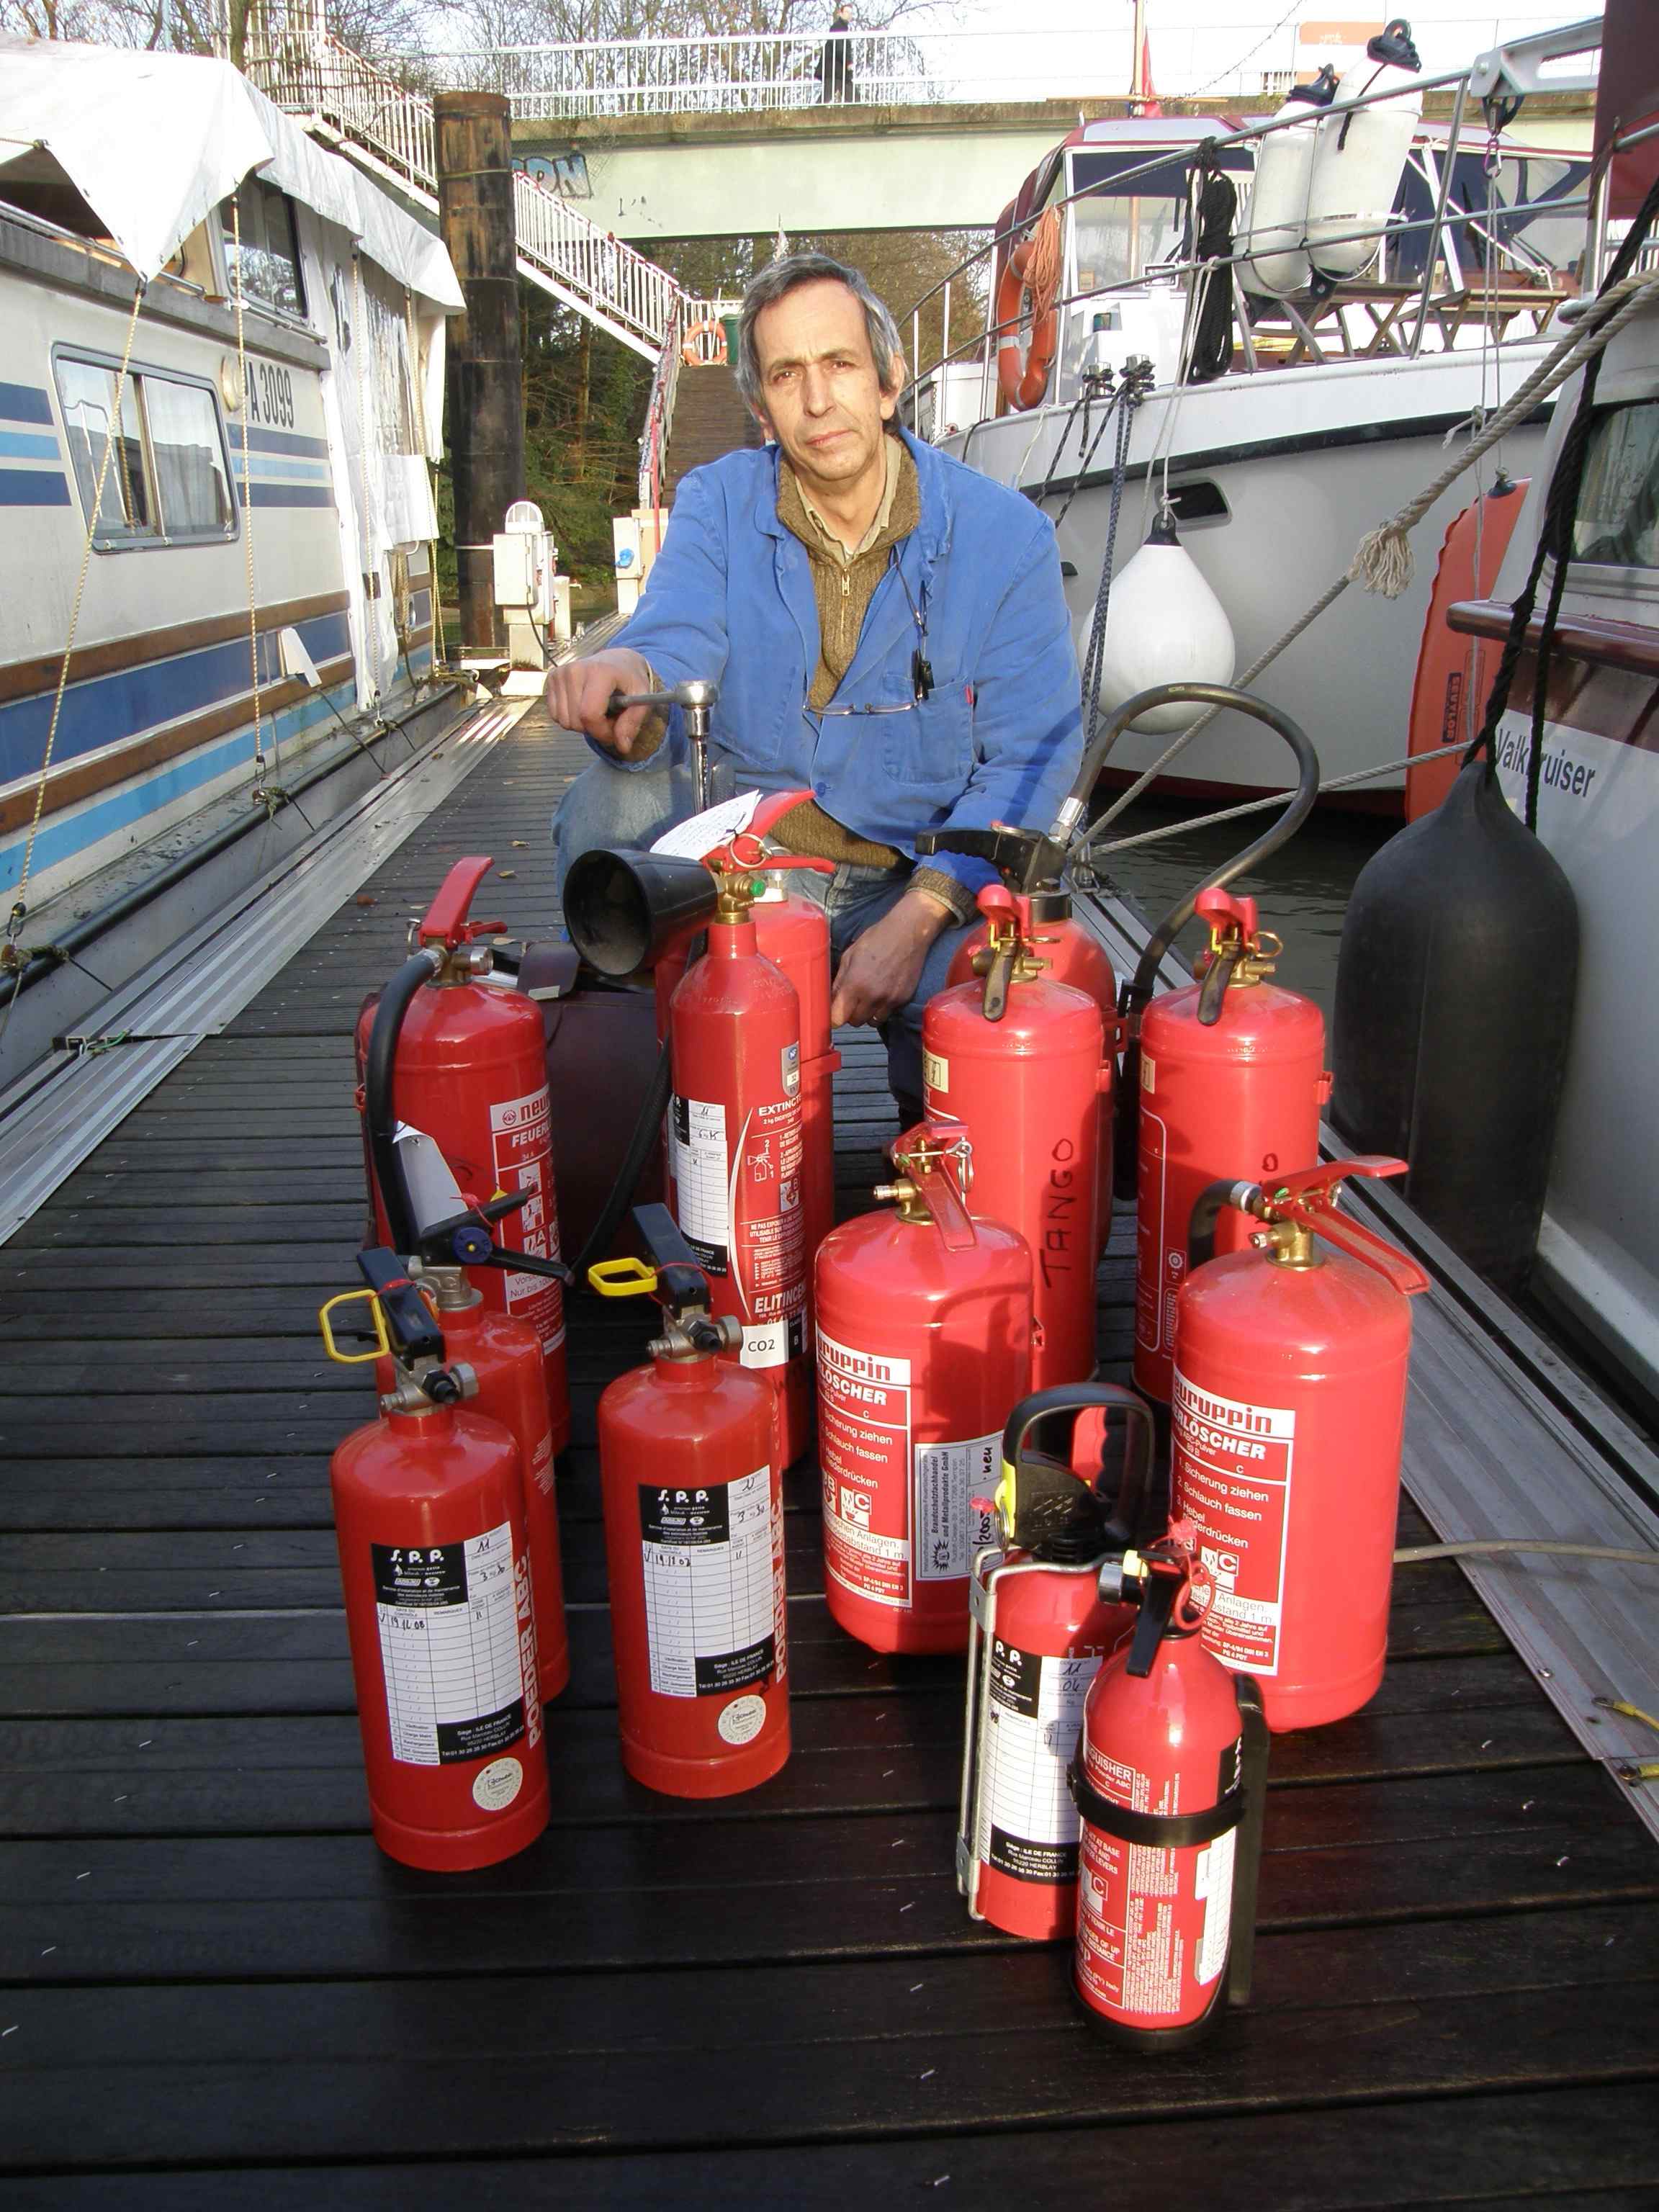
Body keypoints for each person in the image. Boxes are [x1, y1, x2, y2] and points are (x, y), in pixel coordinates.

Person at [545, 251, 1082, 1123]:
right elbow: (678, 627)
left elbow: (1030, 759)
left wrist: (917, 921)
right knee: (606, 809)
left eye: (840, 365)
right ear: (761, 406)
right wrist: (629, 680)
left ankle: (945, 1166)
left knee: (1002, 1013)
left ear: (888, 381)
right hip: (750, 868)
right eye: (788, 375)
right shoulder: (719, 500)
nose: (819, 400)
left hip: (919, 875)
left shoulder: (1006, 537)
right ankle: (675, 1095)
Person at [814, 2, 855, 104]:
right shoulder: (838, 27)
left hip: (837, 71)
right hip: (833, 70)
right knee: (829, 94)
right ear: (840, 14)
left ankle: (862, 110)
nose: (849, 15)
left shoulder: (842, 28)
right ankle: (811, 114)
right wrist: (848, 62)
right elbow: (838, 47)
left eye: (851, 13)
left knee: (850, 93)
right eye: (846, 12)